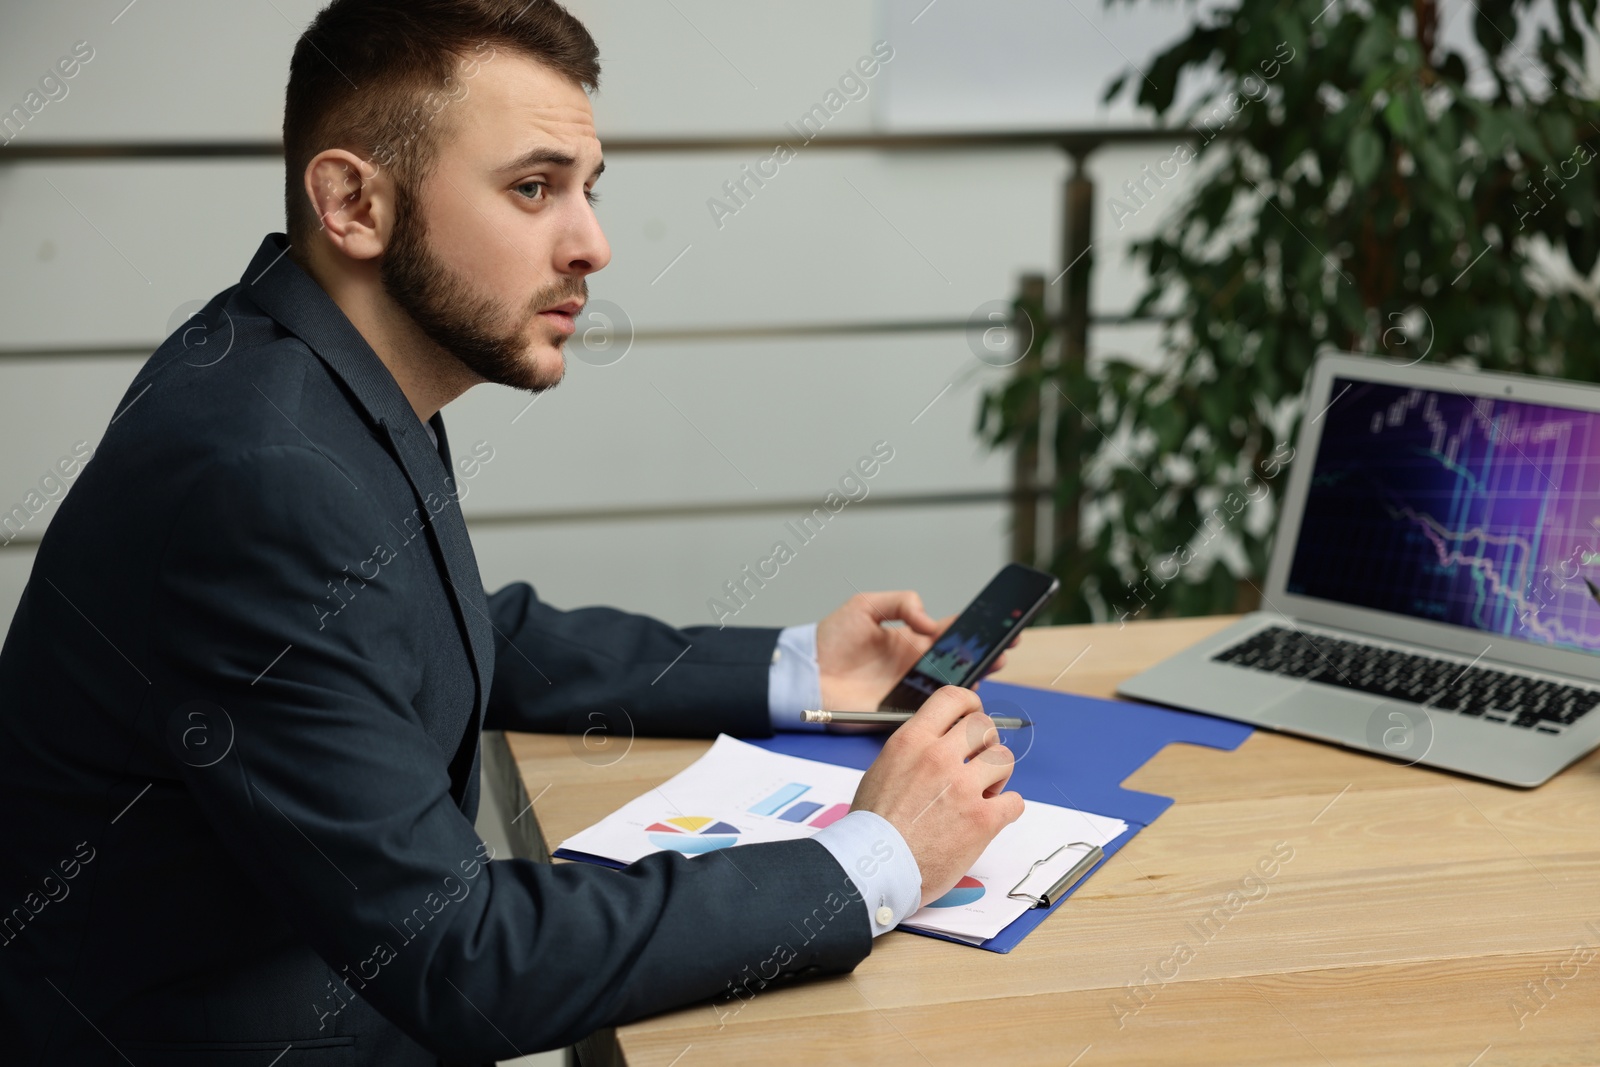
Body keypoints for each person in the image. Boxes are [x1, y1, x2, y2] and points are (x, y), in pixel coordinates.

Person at [0, 2, 1024, 1063]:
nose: (592, 243)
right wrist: (878, 853)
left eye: (587, 188)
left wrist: (800, 664)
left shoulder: (300, 365)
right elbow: (464, 959)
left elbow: (428, 624)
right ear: (353, 202)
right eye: (533, 189)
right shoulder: (257, 471)